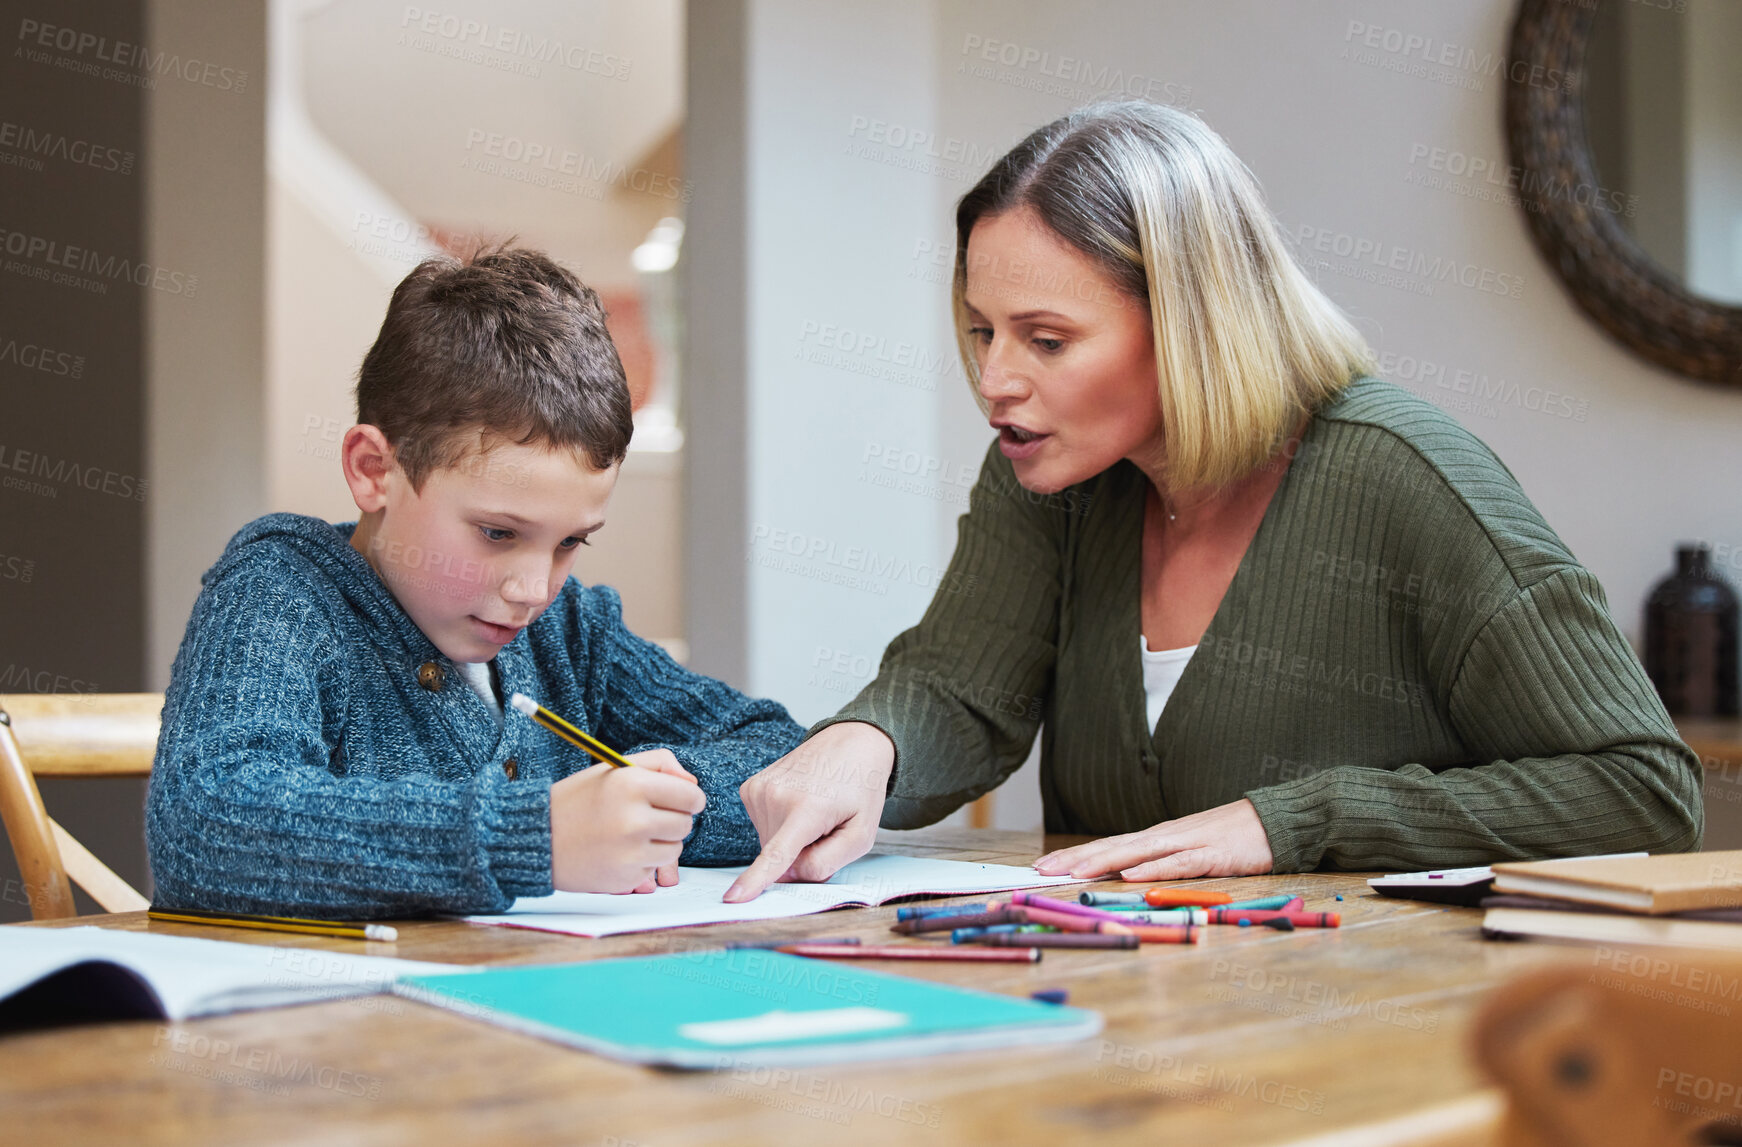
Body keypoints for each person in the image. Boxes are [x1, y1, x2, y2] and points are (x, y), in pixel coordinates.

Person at [723, 101, 1702, 902]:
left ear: (1190, 323)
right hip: (1123, 1038)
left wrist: (1296, 822)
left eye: (1046, 339)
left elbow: (1640, 787)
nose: (995, 380)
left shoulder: (1403, 477)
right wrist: (865, 744)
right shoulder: (1047, 470)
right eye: (983, 330)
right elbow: (958, 687)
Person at [148, 247, 803, 918]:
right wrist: (536, 834)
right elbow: (206, 825)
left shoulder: (567, 628)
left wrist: (645, 811)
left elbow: (780, 753)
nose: (532, 589)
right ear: (376, 469)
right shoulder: (281, 592)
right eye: (496, 533)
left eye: (571, 542)